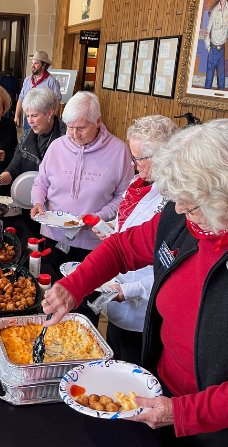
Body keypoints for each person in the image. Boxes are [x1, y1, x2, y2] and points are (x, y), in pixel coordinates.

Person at [43, 119, 228, 445]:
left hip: (213, 421)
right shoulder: (181, 218)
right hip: (160, 385)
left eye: (190, 203)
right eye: (177, 200)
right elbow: (121, 248)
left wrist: (184, 413)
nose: (180, 211)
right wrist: (73, 287)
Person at [85, 115, 179, 367]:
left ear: (161, 158)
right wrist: (114, 229)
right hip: (117, 297)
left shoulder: (176, 202)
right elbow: (129, 226)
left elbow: (173, 268)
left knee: (132, 370)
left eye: (137, 158)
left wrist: (129, 290)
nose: (133, 164)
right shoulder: (138, 185)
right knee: (113, 351)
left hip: (143, 310)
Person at [30, 92, 133, 292]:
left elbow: (124, 198)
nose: (75, 134)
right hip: (53, 236)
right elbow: (40, 182)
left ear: (98, 121)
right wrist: (37, 202)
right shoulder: (57, 146)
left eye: (81, 128)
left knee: (85, 301)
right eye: (69, 127)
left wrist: (96, 218)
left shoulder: (119, 151)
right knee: (49, 295)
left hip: (93, 243)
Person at [0, 87, 67, 195]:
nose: (30, 121)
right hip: (28, 199)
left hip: (55, 203)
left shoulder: (67, 137)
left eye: (34, 116)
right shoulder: (26, 136)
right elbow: (14, 168)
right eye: (27, 116)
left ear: (50, 113)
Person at [17, 51, 60, 131]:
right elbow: (21, 98)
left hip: (43, 120)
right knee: (27, 140)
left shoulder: (51, 82)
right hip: (28, 119)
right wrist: (16, 116)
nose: (32, 66)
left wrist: (51, 119)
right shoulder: (27, 80)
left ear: (44, 65)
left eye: (36, 63)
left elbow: (56, 102)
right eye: (32, 63)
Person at [201, 0, 228, 90]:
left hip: (222, 51)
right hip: (212, 50)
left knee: (221, 84)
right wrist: (208, 47)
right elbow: (205, 31)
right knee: (208, 83)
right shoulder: (214, 11)